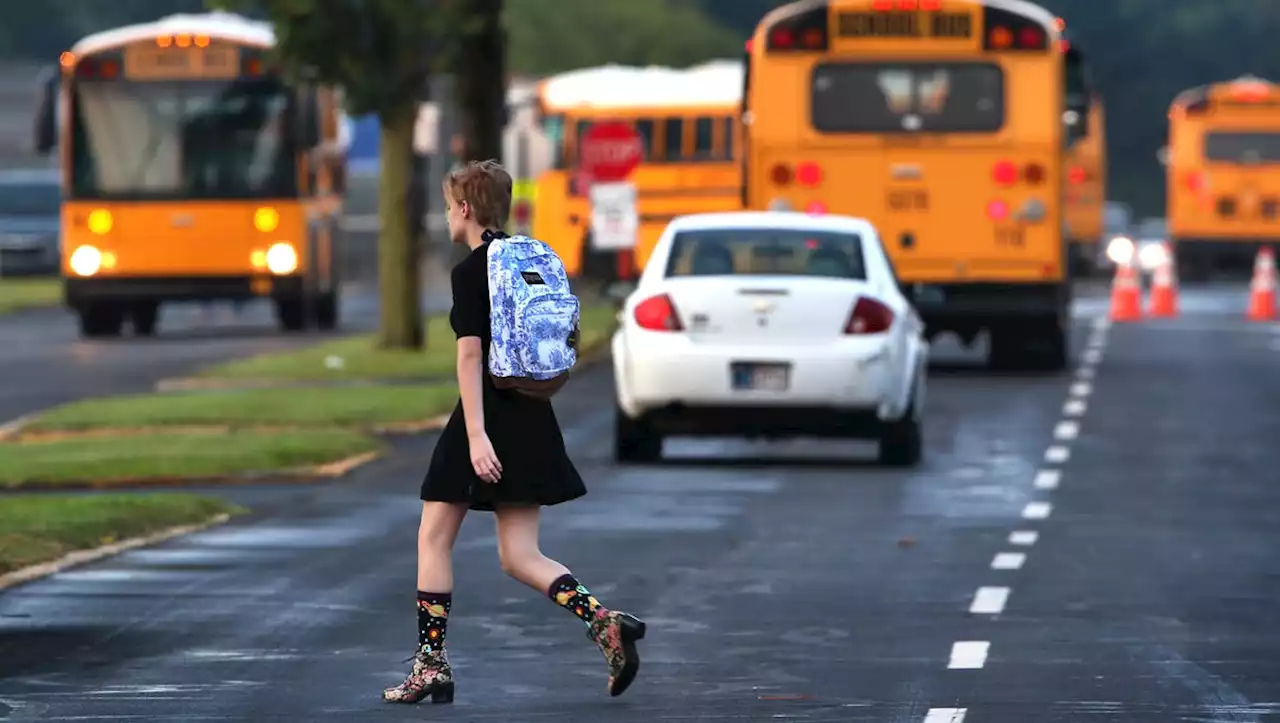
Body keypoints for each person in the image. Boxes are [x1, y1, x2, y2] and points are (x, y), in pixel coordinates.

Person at [382, 160, 646, 705]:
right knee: (520, 554)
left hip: (486, 415)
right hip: (531, 411)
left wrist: (476, 436)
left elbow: (471, 354)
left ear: (463, 209)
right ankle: (604, 621)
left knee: (433, 535)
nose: (445, 216)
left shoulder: (470, 271)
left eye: (447, 205)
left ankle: (431, 665)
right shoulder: (531, 256)